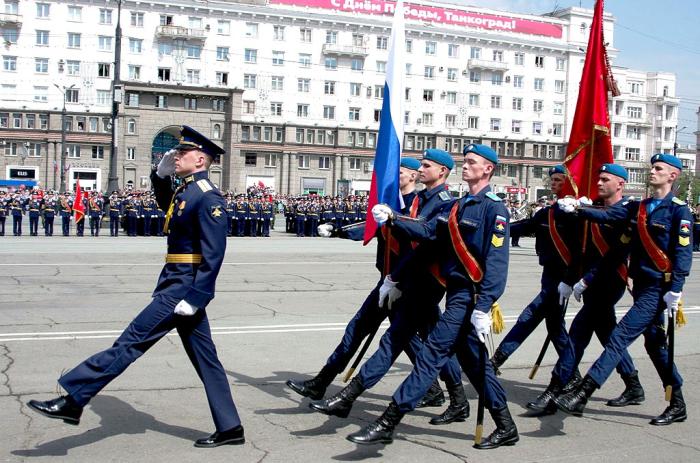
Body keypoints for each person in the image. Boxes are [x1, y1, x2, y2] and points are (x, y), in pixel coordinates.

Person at [27, 126, 244, 448]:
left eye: (182, 153)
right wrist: (159, 176)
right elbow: (167, 205)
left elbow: (215, 252)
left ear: (200, 159)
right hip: (176, 281)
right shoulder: (188, 191)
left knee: (130, 342)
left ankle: (75, 397)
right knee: (206, 359)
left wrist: (198, 296)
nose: (176, 156)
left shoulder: (208, 195)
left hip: (182, 288)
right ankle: (230, 427)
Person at [348, 144, 516, 450]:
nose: (465, 167)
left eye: (471, 163)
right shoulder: (459, 205)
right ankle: (506, 425)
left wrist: (483, 306)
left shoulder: (495, 209)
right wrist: (394, 219)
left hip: (471, 296)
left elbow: (497, 263)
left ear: (487, 169)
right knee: (475, 364)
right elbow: (428, 231)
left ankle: (389, 421)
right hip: (455, 294)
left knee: (431, 355)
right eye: (464, 162)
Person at [306, 152, 468, 425]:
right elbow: (381, 228)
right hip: (395, 280)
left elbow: (423, 232)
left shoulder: (444, 203)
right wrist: (339, 230)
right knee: (371, 331)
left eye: (424, 166)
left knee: (417, 344)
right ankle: (326, 385)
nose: (419, 169)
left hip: (420, 284)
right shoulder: (416, 201)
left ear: (436, 172)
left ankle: (454, 398)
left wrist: (394, 221)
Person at [553, 153, 693, 426]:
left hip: (659, 289)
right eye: (652, 168)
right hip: (641, 286)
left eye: (658, 169)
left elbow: (683, 254)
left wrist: (675, 290)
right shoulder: (638, 207)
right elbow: (608, 214)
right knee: (655, 347)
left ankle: (583, 393)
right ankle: (677, 402)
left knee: (619, 336)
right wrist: (578, 209)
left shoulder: (678, 210)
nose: (652, 172)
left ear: (672, 176)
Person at [532, 164, 644, 414]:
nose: (600, 183)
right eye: (598, 179)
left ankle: (555, 389)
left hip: (608, 281)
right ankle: (633, 384)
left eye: (606, 179)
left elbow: (609, 227)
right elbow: (581, 249)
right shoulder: (594, 207)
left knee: (577, 336)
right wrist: (570, 279)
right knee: (608, 335)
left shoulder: (628, 209)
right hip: (589, 282)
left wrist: (580, 209)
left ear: (621, 184)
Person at [490, 165, 578, 413]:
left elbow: (583, 251)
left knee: (529, 317)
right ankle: (579, 375)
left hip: (563, 280)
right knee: (556, 328)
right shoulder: (548, 212)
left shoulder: (577, 214)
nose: (553, 183)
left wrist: (571, 280)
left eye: (559, 180)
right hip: (548, 275)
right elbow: (525, 226)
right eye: (552, 179)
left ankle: (497, 360)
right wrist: (496, 228)